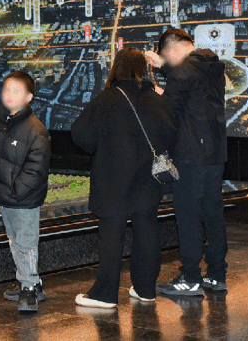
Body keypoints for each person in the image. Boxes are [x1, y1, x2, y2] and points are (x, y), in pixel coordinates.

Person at [71, 48, 177, 308]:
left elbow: (81, 136)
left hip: (112, 178)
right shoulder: (156, 99)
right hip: (148, 177)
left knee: (112, 233)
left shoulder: (106, 99)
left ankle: (105, 294)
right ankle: (145, 289)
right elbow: (171, 135)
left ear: (116, 68)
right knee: (147, 228)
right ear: (144, 69)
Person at [145, 29, 228, 296]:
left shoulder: (182, 73)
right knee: (213, 216)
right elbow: (190, 87)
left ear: (173, 50)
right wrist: (165, 68)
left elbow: (168, 111)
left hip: (190, 156)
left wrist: (157, 92)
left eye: (166, 56)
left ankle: (190, 277)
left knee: (188, 217)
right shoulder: (211, 66)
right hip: (214, 154)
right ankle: (216, 276)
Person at [0, 70, 51, 312]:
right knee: (15, 242)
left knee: (26, 243)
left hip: (23, 200)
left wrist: (16, 191)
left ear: (29, 97)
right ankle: (31, 283)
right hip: (6, 197)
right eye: (6, 90)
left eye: (16, 91)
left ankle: (29, 288)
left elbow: (36, 169)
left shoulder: (35, 129)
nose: (10, 95)